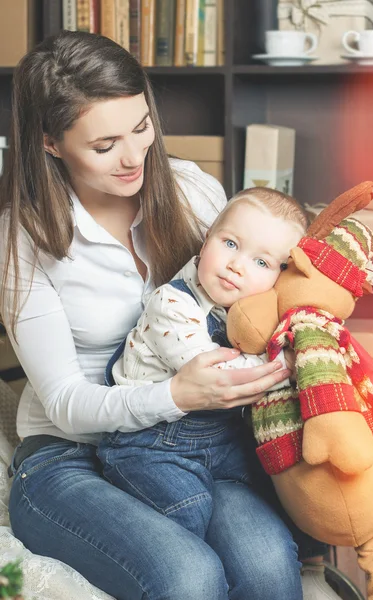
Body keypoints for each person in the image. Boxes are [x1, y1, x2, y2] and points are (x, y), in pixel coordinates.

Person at [0, 30, 308, 600]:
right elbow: (65, 405)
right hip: (67, 456)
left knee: (266, 565)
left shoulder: (192, 191)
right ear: (49, 143)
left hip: (193, 442)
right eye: (104, 144)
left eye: (142, 127)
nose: (134, 156)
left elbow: (266, 293)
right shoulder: (22, 238)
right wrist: (178, 395)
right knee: (187, 577)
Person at [96, 187, 307, 542]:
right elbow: (218, 377)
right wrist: (284, 364)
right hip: (148, 445)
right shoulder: (171, 304)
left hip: (220, 440)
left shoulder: (251, 312)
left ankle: (312, 566)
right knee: (188, 513)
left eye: (261, 263)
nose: (236, 266)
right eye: (230, 244)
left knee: (282, 493)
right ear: (207, 239)